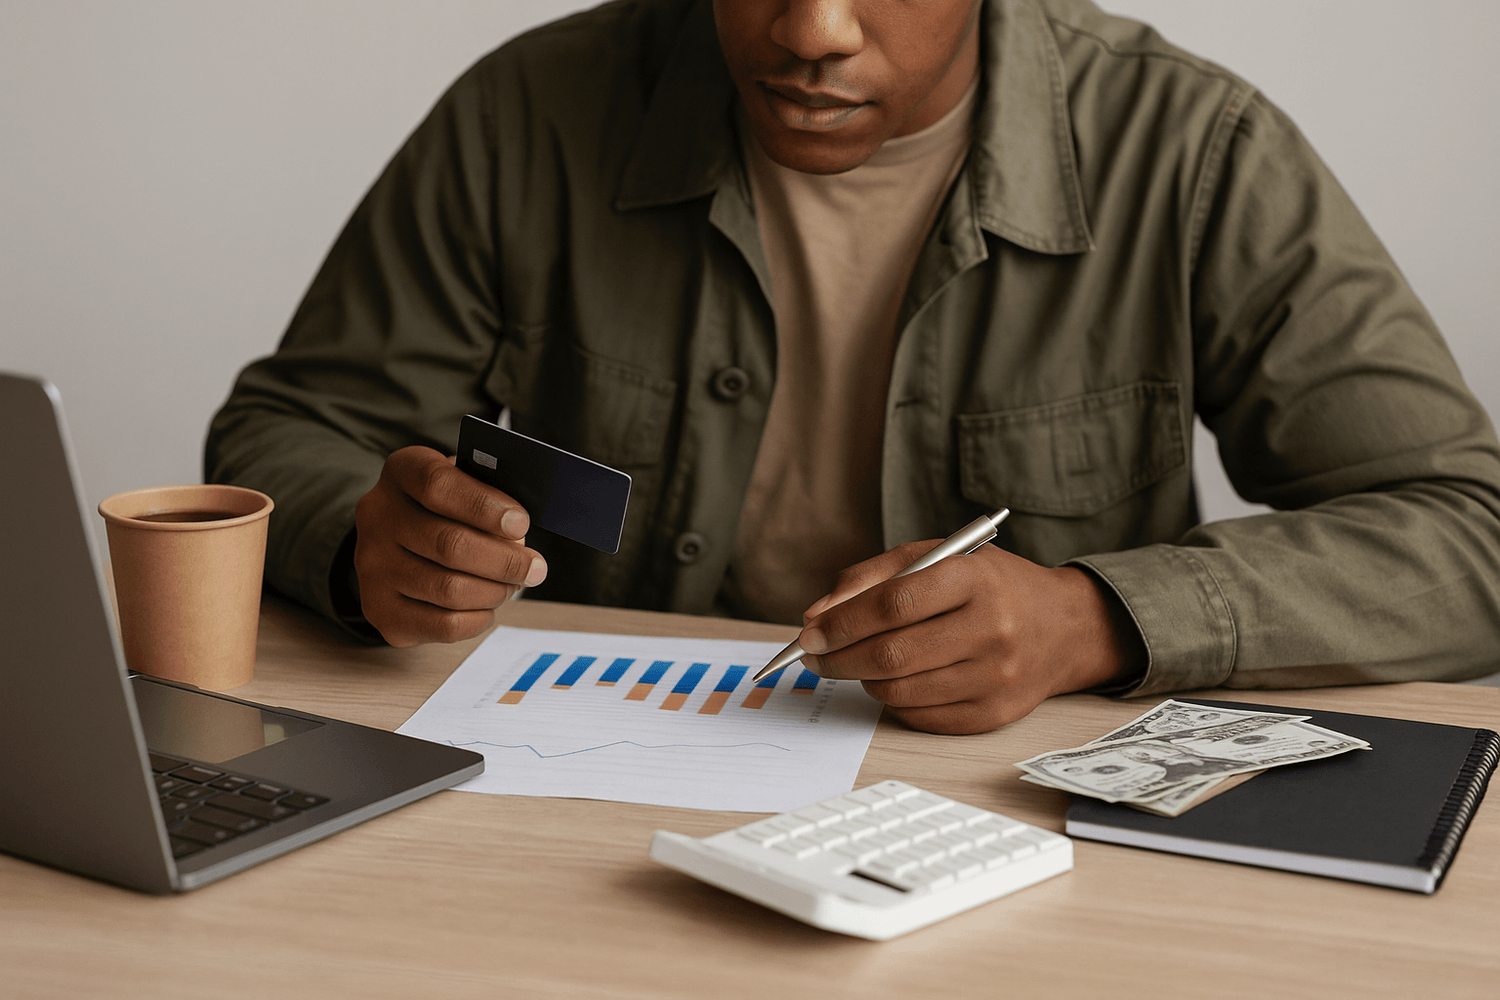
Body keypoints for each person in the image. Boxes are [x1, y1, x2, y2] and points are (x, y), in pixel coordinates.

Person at [206, 0, 1500, 735]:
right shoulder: (529, 109)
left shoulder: (1191, 147)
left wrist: (1092, 618)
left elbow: (1468, 538)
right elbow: (288, 428)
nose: (813, 31)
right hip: (591, 778)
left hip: (1006, 826)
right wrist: (359, 543)